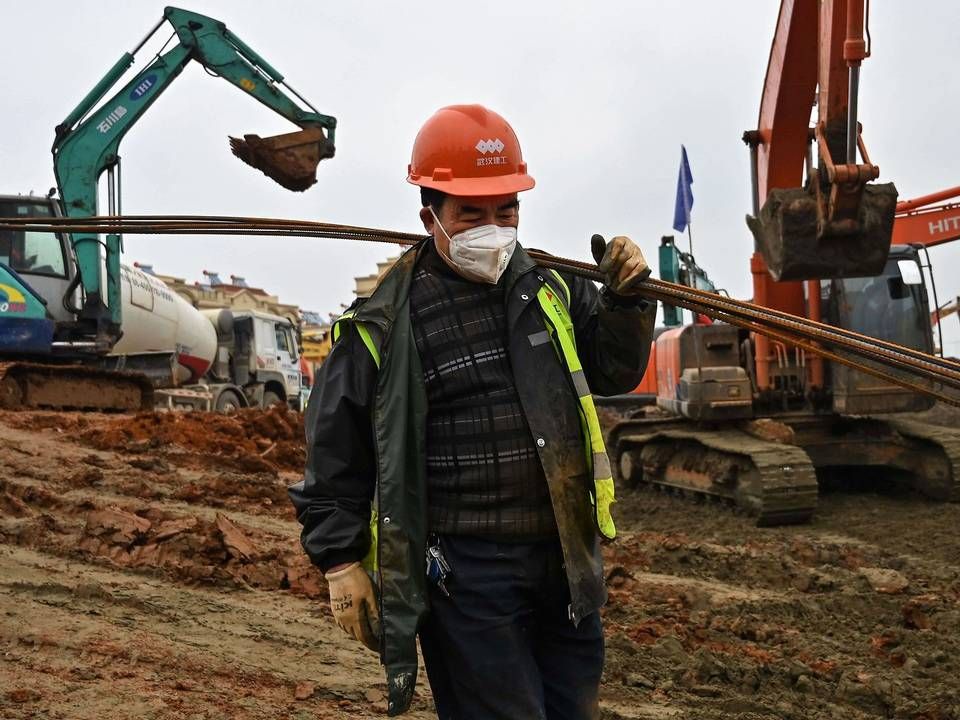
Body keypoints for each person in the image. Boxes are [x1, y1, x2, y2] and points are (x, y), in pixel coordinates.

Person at [290, 104, 656, 719]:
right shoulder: (384, 323)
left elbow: (612, 370)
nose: (493, 228)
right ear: (429, 213)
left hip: (565, 557)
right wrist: (341, 561)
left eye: (506, 210)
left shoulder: (553, 288)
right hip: (467, 572)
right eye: (472, 214)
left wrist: (626, 303)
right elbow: (336, 452)